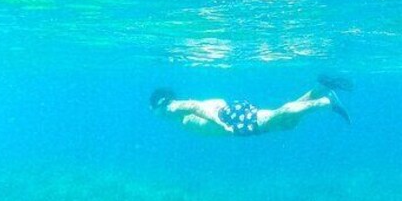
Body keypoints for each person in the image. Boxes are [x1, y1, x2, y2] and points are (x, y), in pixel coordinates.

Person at [149, 76, 351, 136]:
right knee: (286, 122)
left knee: (277, 116)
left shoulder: (171, 108)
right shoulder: (174, 111)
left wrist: (219, 124)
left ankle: (326, 102)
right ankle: (321, 88)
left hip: (228, 119)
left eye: (153, 110)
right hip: (230, 115)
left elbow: (195, 106)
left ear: (159, 104)